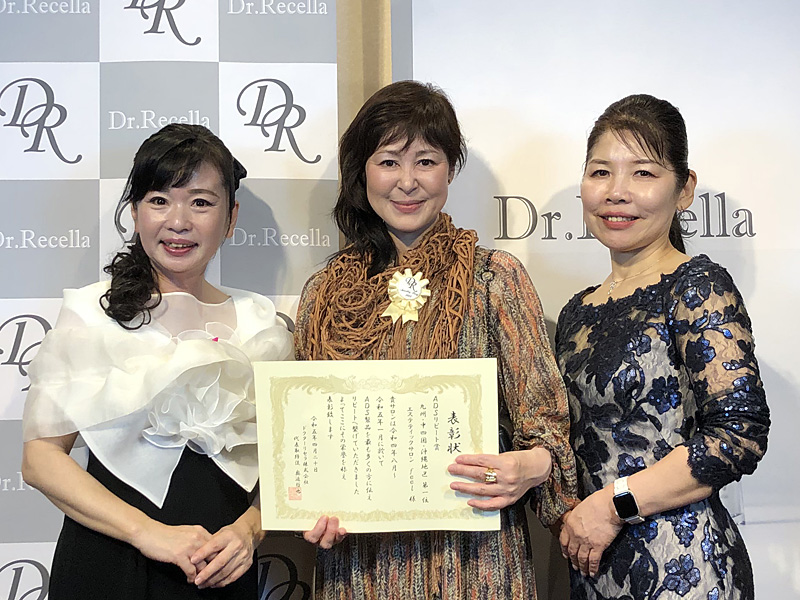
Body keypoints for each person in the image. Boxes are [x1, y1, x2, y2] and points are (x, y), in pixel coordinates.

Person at [293, 80, 577, 599]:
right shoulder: (325, 294)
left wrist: (527, 467)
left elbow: (548, 430)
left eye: (425, 161)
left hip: (474, 561)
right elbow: (309, 438)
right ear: (361, 171)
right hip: (361, 566)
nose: (407, 182)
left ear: (449, 169)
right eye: (388, 162)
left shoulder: (494, 279)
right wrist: (311, 503)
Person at [21, 124, 292, 599]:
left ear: (231, 218)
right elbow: (40, 460)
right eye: (159, 200)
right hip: (108, 566)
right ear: (134, 211)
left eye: (201, 202)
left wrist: (250, 529)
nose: (179, 221)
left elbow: (291, 463)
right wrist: (147, 533)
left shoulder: (259, 322)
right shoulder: (92, 312)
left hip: (220, 569)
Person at [555, 94, 770, 599]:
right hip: (596, 573)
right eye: (601, 172)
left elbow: (738, 433)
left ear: (684, 189)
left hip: (685, 568)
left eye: (643, 173)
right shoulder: (575, 312)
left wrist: (614, 506)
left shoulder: (696, 286)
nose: (617, 192)